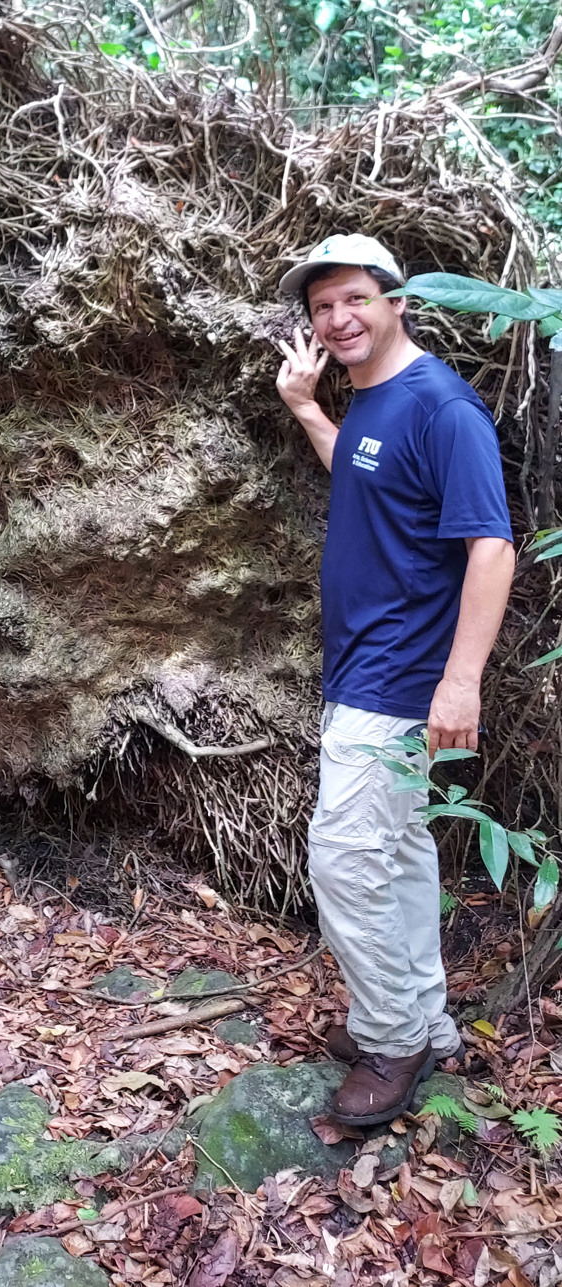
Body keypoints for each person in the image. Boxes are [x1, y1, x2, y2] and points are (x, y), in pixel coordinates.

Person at [274, 234, 515, 1126]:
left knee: (343, 861)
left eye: (353, 300)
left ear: (396, 300)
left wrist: (462, 683)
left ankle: (391, 1038)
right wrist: (307, 409)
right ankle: (428, 1021)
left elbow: (490, 545)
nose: (337, 319)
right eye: (322, 307)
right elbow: (368, 483)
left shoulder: (442, 407)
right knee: (402, 855)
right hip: (365, 667)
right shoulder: (372, 403)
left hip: (403, 679)